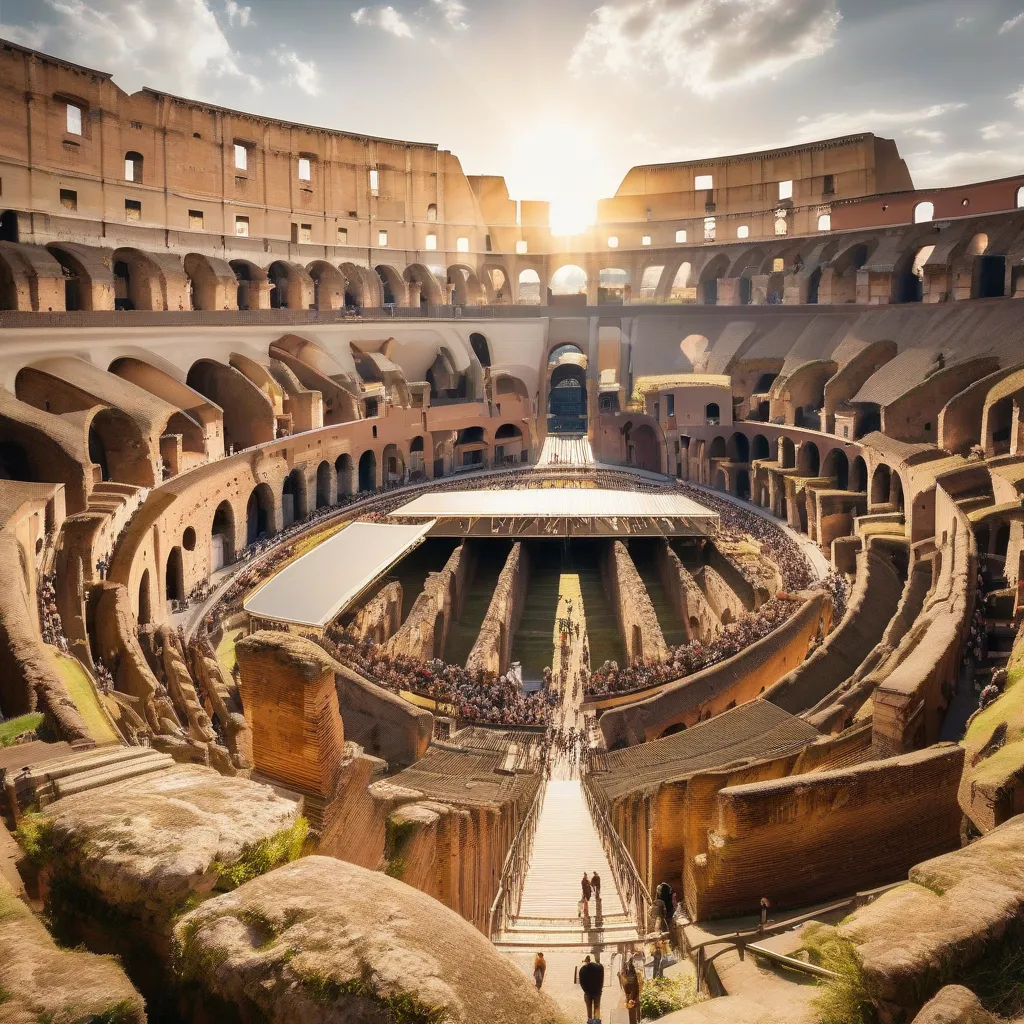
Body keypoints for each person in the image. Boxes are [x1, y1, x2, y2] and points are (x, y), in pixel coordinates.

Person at [579, 954, 604, 1022]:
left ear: (586, 961)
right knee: (597, 1007)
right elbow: (601, 978)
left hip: (588, 992)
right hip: (597, 991)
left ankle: (590, 1020)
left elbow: (581, 982)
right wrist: (600, 988)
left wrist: (585, 990)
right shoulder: (599, 967)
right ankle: (596, 1021)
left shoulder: (582, 970)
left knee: (589, 1008)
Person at [619, 957, 642, 1024]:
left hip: (630, 991)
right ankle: (637, 1020)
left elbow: (624, 984)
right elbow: (635, 985)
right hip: (632, 991)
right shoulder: (632, 973)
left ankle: (636, 1020)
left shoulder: (625, 974)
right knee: (635, 1004)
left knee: (632, 1006)